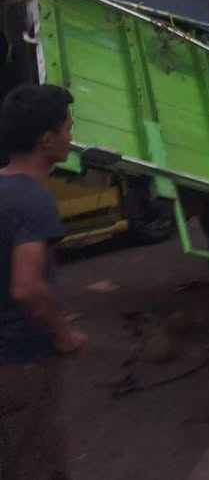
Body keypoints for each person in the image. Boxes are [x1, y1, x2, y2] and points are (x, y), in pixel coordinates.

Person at [1, 83, 87, 480]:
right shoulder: (34, 200)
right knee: (37, 465)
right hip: (22, 361)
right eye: (67, 128)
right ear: (46, 140)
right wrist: (63, 333)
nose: (72, 136)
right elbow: (27, 287)